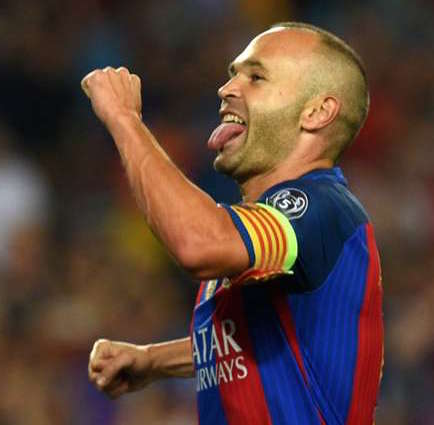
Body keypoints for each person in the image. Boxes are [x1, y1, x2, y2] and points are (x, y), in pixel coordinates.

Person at [82, 22, 383, 425]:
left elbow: (198, 244)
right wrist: (153, 359)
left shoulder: (318, 206)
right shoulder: (262, 233)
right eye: (232, 75)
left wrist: (124, 119)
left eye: (256, 77)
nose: (226, 89)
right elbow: (260, 340)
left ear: (316, 112)